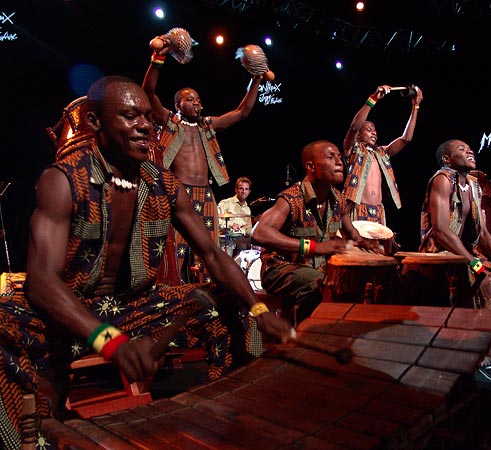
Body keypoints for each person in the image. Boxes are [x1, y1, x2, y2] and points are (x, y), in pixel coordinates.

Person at [0, 76, 290, 448]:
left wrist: (260, 308)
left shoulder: (164, 185)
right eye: (128, 116)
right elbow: (41, 282)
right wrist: (110, 341)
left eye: (147, 119)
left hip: (133, 308)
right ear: (95, 123)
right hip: (65, 314)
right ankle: (32, 435)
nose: (144, 126)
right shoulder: (63, 179)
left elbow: (214, 255)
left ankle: (224, 421)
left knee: (230, 303)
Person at [142, 38, 263, 283]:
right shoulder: (169, 121)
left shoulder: (207, 125)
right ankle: (170, 290)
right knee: (175, 247)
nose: (197, 103)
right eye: (190, 99)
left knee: (209, 250)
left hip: (205, 193)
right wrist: (158, 60)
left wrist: (256, 79)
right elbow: (148, 93)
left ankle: (209, 294)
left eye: (198, 100)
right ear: (177, 105)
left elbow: (242, 112)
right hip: (178, 191)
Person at [419, 139, 491, 374]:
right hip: (440, 252)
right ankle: (478, 347)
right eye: (461, 149)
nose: (470, 150)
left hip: (466, 253)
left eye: (469, 148)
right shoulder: (442, 179)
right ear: (447, 159)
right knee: (472, 275)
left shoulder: (473, 185)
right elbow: (441, 230)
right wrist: (477, 266)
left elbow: (482, 232)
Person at [251, 140, 380, 326]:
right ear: (311, 166)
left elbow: (352, 232)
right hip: (280, 268)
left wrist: (367, 245)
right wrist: (314, 247)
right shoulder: (291, 198)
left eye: (338, 156)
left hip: (317, 269)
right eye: (330, 157)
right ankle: (304, 341)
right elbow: (259, 233)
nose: (339, 162)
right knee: (317, 284)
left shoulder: (339, 200)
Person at [342, 84, 423, 225]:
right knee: (354, 247)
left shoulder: (381, 152)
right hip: (356, 207)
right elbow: (354, 127)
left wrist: (415, 107)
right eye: (368, 129)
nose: (374, 132)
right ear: (359, 136)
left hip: (379, 211)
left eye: (375, 130)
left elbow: (406, 139)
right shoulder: (353, 149)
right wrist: (373, 99)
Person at [217, 176, 253, 257]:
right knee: (242, 244)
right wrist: (230, 225)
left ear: (249, 191)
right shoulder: (226, 203)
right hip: (227, 238)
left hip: (242, 238)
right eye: (241, 188)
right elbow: (215, 220)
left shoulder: (247, 209)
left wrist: (256, 231)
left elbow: (248, 229)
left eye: (246, 189)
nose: (244, 191)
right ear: (236, 190)